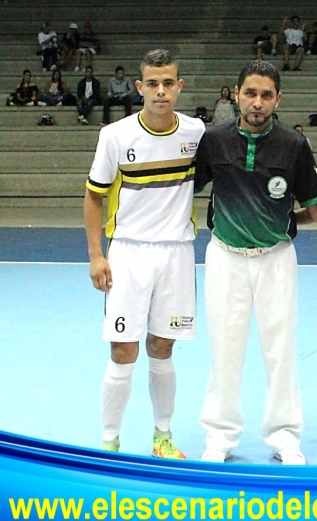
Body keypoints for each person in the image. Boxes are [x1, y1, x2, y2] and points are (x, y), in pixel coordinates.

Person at [195, 59, 317, 465]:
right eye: (250, 93)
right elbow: (187, 186)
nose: (257, 102)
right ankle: (220, 437)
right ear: (236, 94)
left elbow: (313, 204)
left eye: (266, 95)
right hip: (225, 257)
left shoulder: (294, 145)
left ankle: (284, 436)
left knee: (280, 349)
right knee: (224, 347)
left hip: (276, 258)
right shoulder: (213, 139)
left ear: (278, 99)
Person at [83, 49, 205, 459]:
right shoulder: (115, 136)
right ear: (139, 88)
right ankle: (109, 442)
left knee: (163, 346)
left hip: (176, 254)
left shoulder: (196, 132)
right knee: (122, 349)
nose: (160, 91)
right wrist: (96, 254)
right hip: (129, 254)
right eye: (152, 83)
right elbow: (94, 195)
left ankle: (162, 438)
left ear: (180, 86)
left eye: (168, 82)